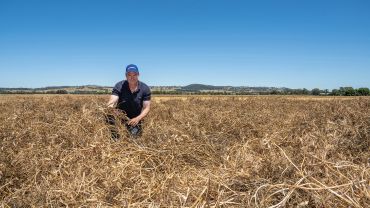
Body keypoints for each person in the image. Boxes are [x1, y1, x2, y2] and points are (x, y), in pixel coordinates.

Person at [106, 64, 151, 140]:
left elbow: (147, 107)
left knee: (133, 140)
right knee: (109, 117)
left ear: (138, 75)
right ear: (126, 75)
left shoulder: (145, 88)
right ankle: (114, 138)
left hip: (135, 120)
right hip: (120, 117)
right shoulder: (119, 86)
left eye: (134, 74)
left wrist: (138, 118)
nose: (132, 77)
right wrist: (112, 109)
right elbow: (112, 101)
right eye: (129, 75)